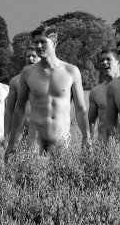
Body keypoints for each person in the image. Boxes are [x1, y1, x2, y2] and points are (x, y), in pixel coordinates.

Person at [5, 26, 90, 159]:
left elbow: (80, 108)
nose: (39, 46)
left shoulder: (71, 71)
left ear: (54, 43)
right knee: (32, 172)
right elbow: (20, 108)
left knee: (61, 172)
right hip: (35, 139)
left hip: (61, 139)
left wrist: (87, 137)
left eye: (43, 42)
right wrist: (12, 142)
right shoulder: (28, 72)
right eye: (36, 42)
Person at [4, 45, 40, 144]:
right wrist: (6, 134)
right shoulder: (15, 81)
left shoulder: (48, 80)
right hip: (20, 133)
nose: (30, 59)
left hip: (41, 132)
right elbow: (9, 109)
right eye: (28, 56)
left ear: (40, 58)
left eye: (34, 56)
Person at [88, 49, 120, 139]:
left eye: (108, 59)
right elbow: (90, 123)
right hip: (102, 145)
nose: (104, 62)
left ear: (118, 62)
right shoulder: (96, 91)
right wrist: (88, 144)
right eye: (102, 60)